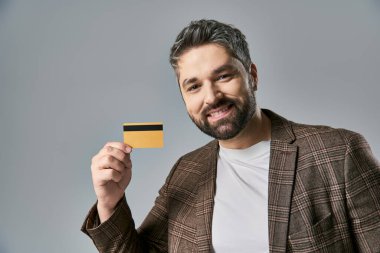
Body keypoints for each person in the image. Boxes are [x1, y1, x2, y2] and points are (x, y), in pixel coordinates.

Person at [81, 19, 380, 252]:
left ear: (252, 75)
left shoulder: (339, 153)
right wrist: (110, 201)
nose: (211, 97)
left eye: (223, 76)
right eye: (194, 86)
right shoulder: (186, 172)